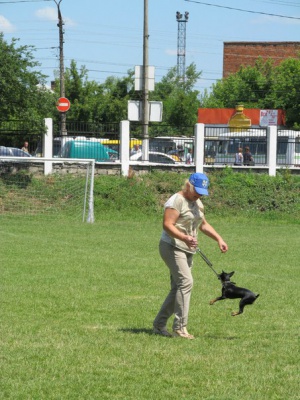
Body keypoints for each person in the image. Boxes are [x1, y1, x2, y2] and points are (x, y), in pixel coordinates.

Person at [153, 173, 228, 339]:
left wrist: (219, 239)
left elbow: (203, 225)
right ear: (188, 186)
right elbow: (167, 225)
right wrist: (185, 237)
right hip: (171, 246)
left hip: (187, 249)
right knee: (186, 283)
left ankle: (159, 325)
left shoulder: (197, 203)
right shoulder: (176, 201)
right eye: (197, 191)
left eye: (202, 192)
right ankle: (180, 328)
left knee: (178, 287)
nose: (199, 195)